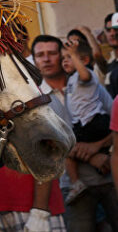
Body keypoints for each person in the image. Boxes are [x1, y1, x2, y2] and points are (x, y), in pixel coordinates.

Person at [61, 38, 117, 224]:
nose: (65, 61)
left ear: (83, 60)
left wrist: (76, 56)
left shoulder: (85, 75)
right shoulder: (70, 80)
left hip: (93, 122)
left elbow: (85, 76)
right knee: (70, 146)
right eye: (64, 58)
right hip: (82, 124)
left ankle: (76, 183)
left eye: (69, 58)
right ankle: (87, 176)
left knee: (70, 147)